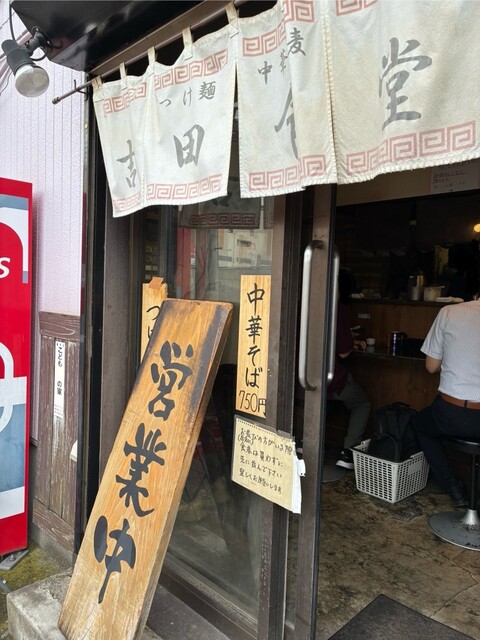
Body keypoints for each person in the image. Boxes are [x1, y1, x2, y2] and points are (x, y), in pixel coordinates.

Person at [413, 293, 480, 507]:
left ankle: (454, 488)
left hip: (452, 413)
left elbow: (431, 366)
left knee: (420, 424)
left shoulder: (449, 312)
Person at [328, 269, 371, 469]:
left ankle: (302, 443)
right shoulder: (338, 308)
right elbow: (344, 353)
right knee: (362, 403)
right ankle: (349, 453)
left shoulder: (307, 302)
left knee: (322, 402)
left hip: (302, 378)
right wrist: (352, 344)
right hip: (329, 378)